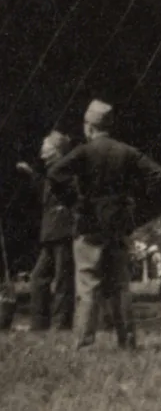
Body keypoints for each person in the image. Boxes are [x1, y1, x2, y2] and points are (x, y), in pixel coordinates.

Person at [46, 99, 161, 350]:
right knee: (121, 286)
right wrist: (133, 200)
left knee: (88, 284)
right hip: (118, 225)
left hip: (88, 224)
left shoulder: (83, 151)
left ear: (88, 126)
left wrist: (74, 201)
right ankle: (128, 340)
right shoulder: (126, 151)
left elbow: (55, 174)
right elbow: (160, 176)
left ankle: (84, 343)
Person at [16, 130, 76, 331]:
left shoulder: (65, 169)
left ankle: (60, 324)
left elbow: (73, 193)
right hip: (52, 231)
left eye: (46, 150)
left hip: (63, 230)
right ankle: (40, 323)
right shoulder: (55, 171)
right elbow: (46, 189)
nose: (42, 155)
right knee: (39, 277)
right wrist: (31, 174)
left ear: (55, 151)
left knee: (62, 280)